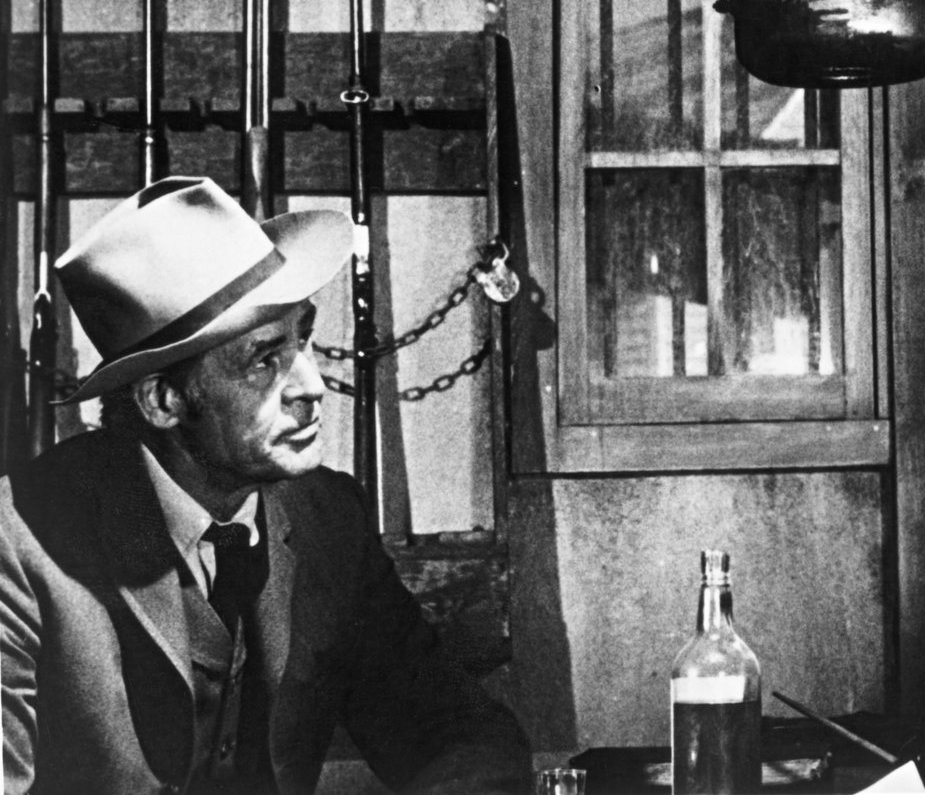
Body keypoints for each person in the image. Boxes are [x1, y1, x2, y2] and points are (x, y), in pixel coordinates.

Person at [0, 177, 531, 794]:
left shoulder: (325, 516)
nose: (312, 386)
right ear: (164, 400)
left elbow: (453, 729)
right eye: (264, 360)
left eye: (303, 339)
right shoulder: (18, 544)